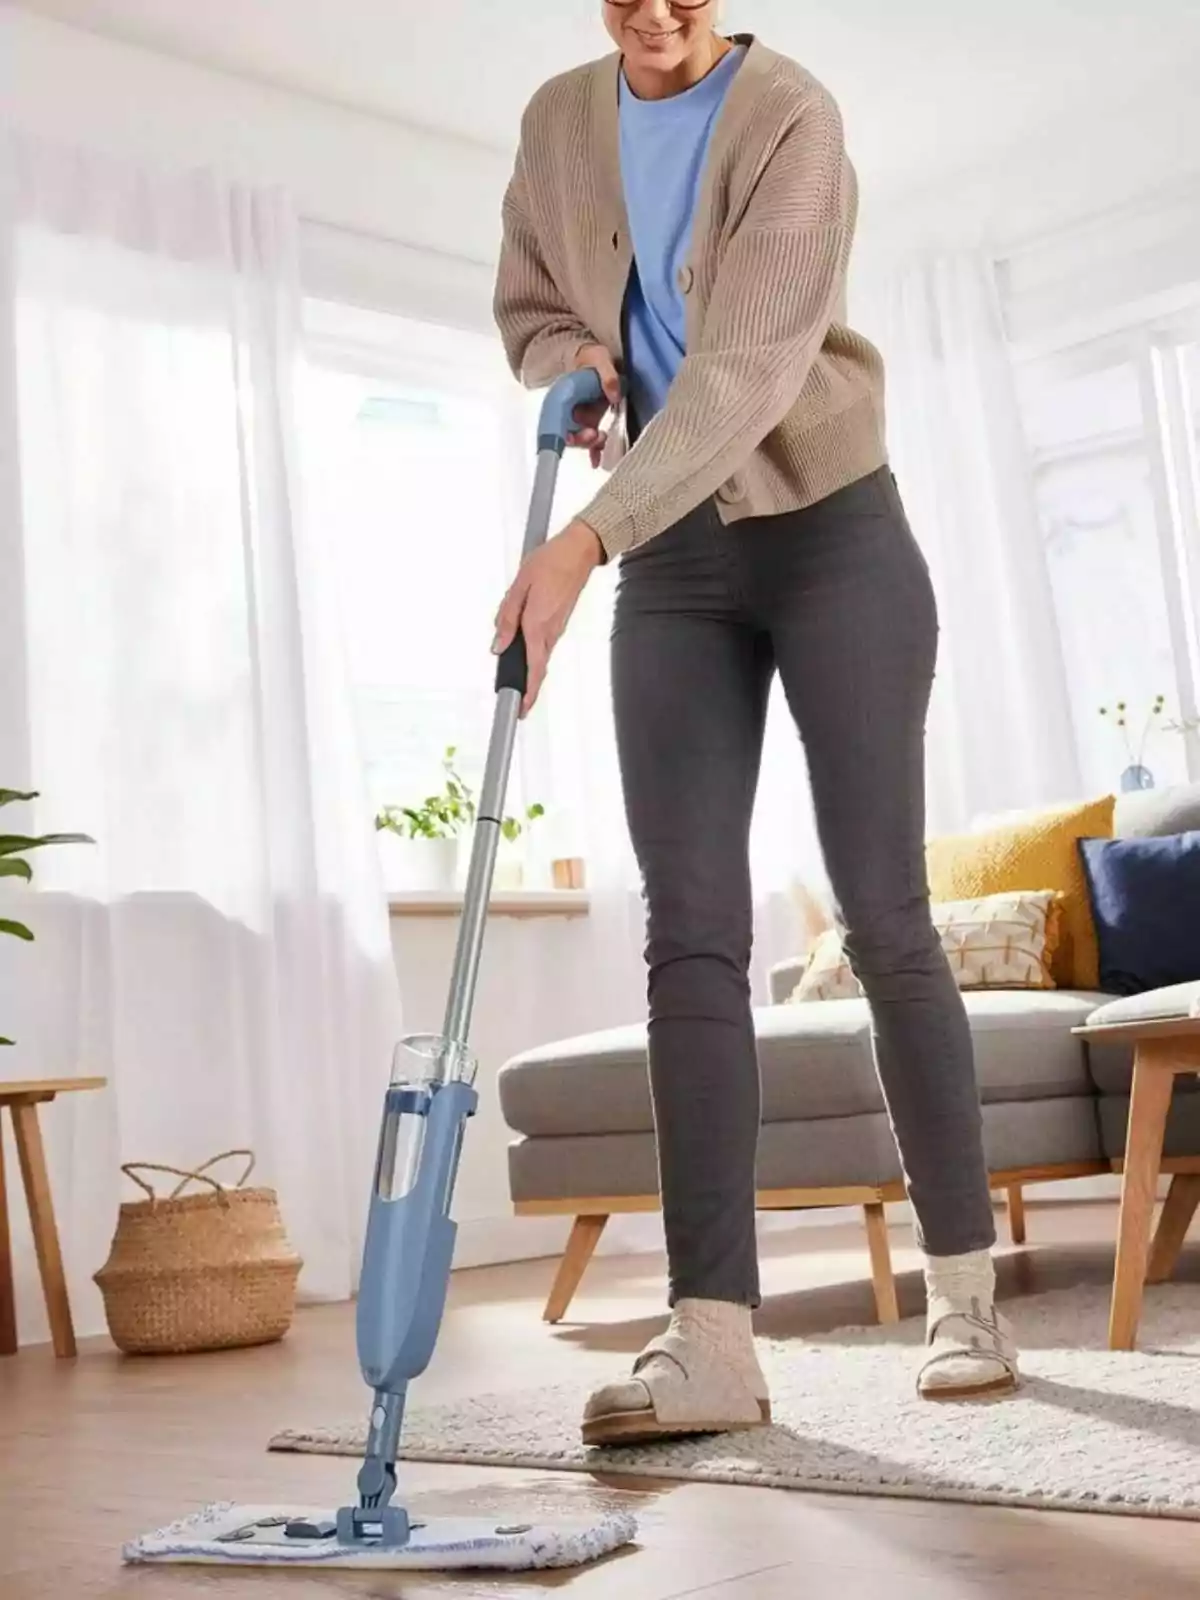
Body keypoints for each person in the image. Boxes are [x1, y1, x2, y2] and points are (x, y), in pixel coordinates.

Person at [492, 0, 1019, 1448]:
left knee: (884, 916)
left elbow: (745, 370)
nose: (660, 9)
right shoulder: (556, 122)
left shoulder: (793, 114)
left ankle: (964, 1293)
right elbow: (528, 300)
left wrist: (580, 543)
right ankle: (713, 1339)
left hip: (833, 541)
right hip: (673, 563)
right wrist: (575, 363)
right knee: (689, 932)